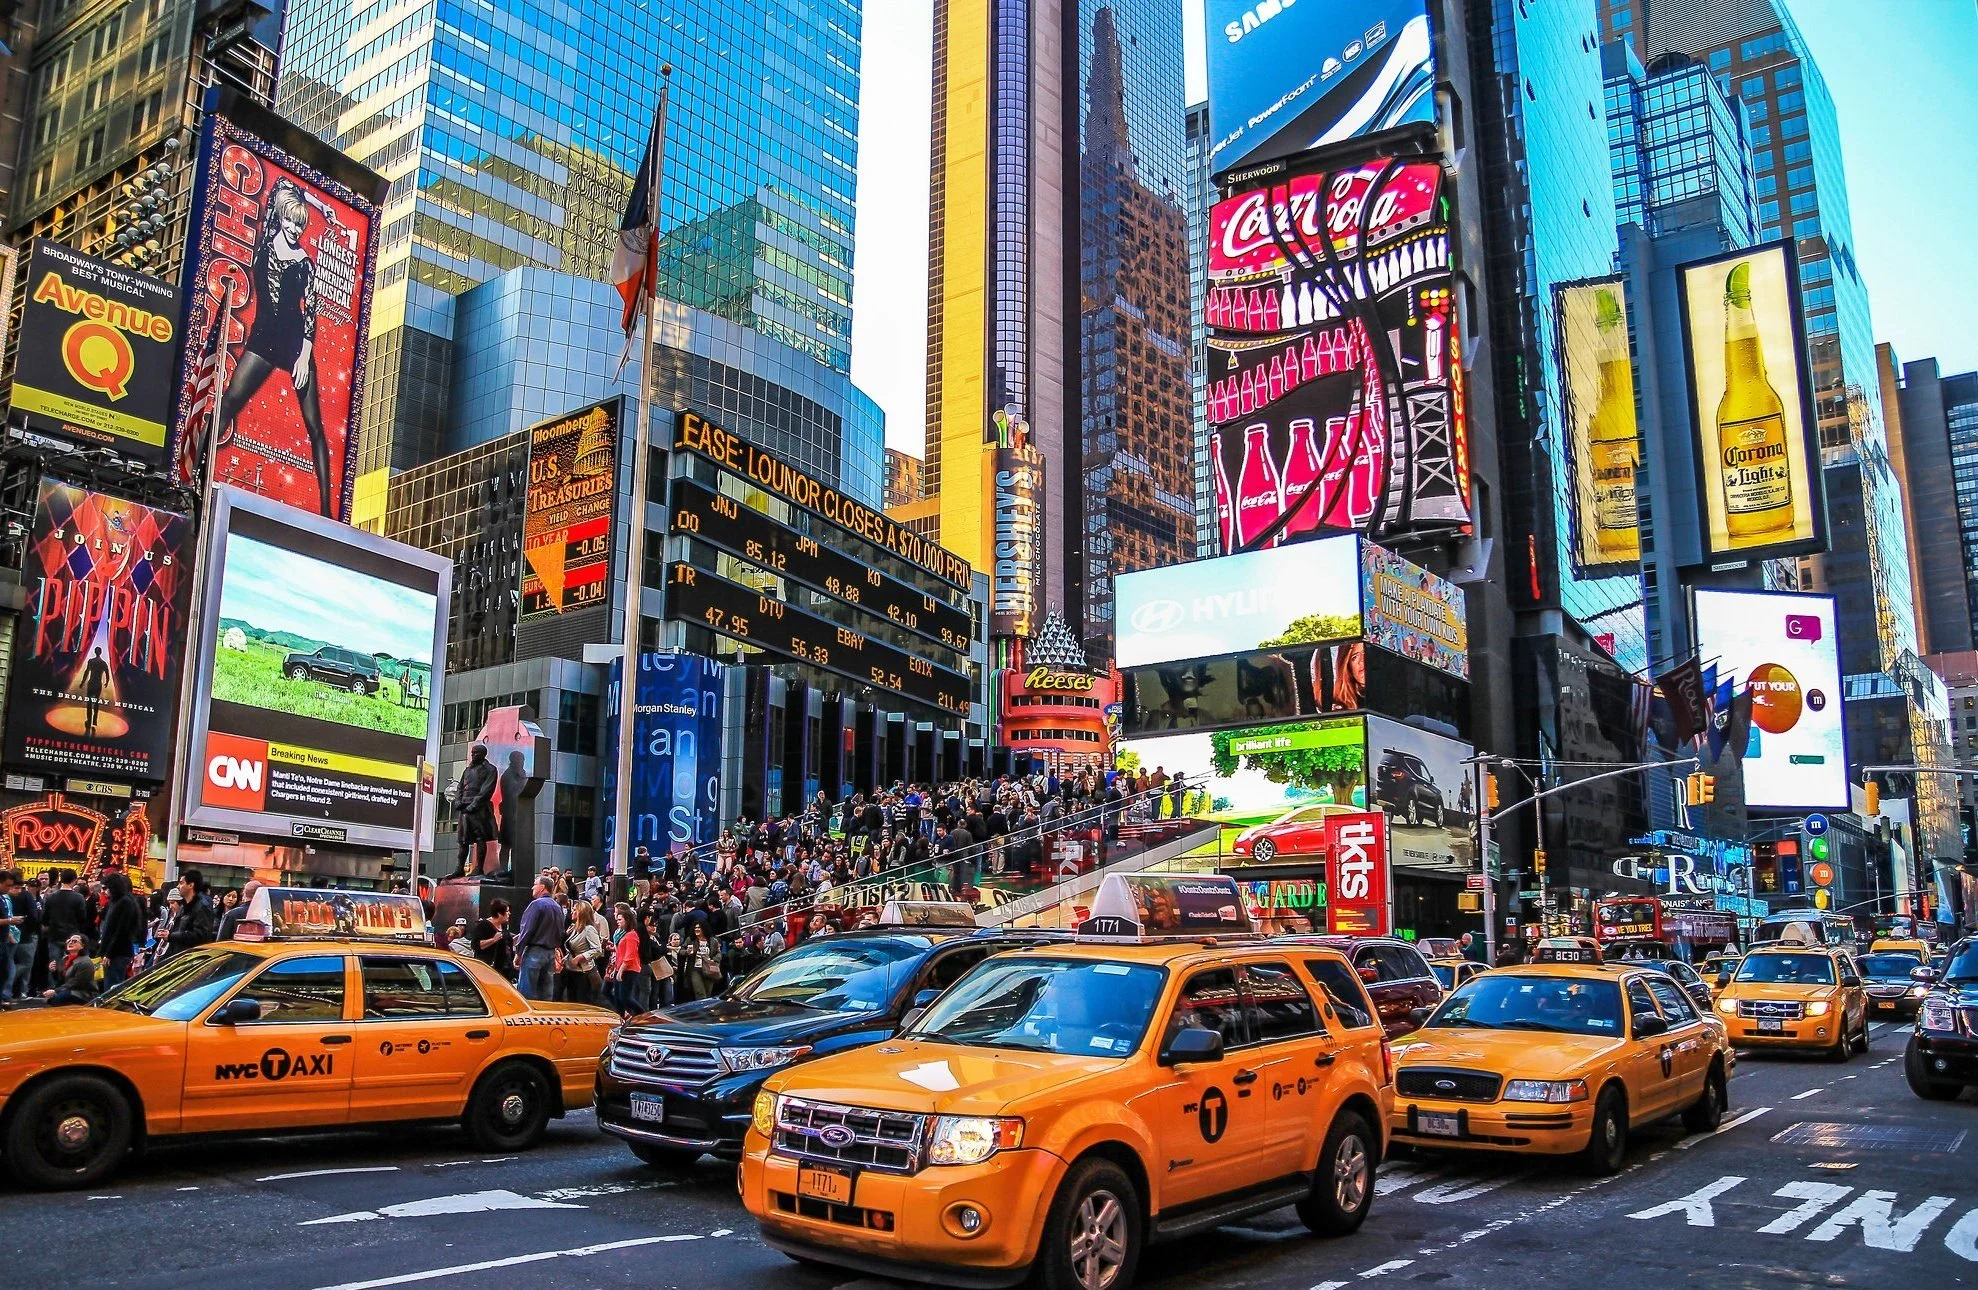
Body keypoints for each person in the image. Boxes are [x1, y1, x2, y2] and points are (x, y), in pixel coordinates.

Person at [212, 180, 337, 515]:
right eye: (291, 220)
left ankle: (328, 513)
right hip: (264, 338)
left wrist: (305, 354)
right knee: (228, 403)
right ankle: (195, 470)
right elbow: (282, 182)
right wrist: (317, 202)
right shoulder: (266, 242)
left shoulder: (305, 263)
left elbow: (311, 311)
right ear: (280, 217)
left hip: (297, 344)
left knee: (316, 427)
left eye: (301, 223)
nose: (295, 228)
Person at [512, 878, 566, 1000]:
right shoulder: (558, 907)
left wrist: (518, 953)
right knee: (546, 995)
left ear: (542, 887)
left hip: (534, 952)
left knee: (527, 995)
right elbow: (561, 932)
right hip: (550, 954)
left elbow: (527, 930)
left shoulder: (536, 905)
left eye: (534, 884)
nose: (532, 887)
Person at [453, 743, 499, 875]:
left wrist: (473, 805)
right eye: (472, 753)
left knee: (480, 838)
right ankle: (459, 869)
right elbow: (460, 787)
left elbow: (487, 789)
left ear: (483, 754)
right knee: (463, 841)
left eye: (476, 753)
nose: (473, 755)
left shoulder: (490, 769)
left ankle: (479, 868)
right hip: (464, 809)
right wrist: (458, 801)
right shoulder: (467, 770)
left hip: (479, 809)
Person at [96, 872, 142, 986]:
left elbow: (121, 931)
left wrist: (109, 953)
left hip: (117, 953)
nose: (103, 892)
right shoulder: (116, 902)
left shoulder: (125, 902)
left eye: (105, 888)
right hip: (113, 951)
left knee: (112, 985)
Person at [165, 870, 218, 958]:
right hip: (179, 955)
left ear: (191, 885)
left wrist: (171, 936)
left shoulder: (202, 906)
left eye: (181, 883)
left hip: (192, 957)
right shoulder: (184, 905)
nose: (178, 886)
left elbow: (201, 935)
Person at [561, 901, 604, 1005]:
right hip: (572, 970)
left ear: (581, 912)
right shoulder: (575, 928)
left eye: (575, 910)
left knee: (582, 1002)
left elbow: (597, 949)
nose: (572, 912)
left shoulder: (589, 929)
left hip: (583, 973)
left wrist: (581, 957)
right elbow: (572, 948)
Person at [605, 903, 642, 1016]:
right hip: (619, 966)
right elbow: (621, 951)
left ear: (627, 920)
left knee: (625, 997)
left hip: (629, 969)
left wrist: (620, 971)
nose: (617, 921)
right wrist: (612, 948)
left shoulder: (631, 935)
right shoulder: (620, 934)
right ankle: (621, 1018)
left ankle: (642, 1014)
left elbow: (630, 956)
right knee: (617, 997)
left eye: (620, 919)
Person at [42, 934, 96, 1006]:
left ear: (82, 946)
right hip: (70, 989)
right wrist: (54, 971)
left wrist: (55, 991)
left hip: (83, 993)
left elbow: (76, 983)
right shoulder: (65, 959)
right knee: (49, 998)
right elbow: (61, 980)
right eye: (68, 941)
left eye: (74, 941)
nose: (70, 943)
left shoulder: (85, 962)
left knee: (59, 998)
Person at [473, 899, 513, 977]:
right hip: (488, 968)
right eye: (507, 911)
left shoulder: (503, 925)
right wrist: (493, 940)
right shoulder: (484, 925)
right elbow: (475, 945)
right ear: (499, 913)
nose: (509, 913)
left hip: (504, 968)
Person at [80, 647, 112, 736]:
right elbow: (107, 673)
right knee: (96, 702)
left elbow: (86, 672)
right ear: (100, 652)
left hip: (91, 684)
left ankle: (89, 720)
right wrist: (107, 682)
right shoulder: (103, 663)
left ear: (95, 652)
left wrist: (82, 682)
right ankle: (94, 719)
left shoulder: (91, 661)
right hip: (98, 684)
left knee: (89, 703)